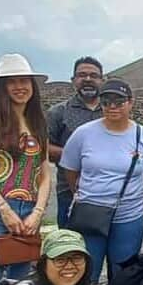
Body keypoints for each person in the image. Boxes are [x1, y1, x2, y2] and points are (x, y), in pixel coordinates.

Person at [59, 78, 143, 284]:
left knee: (124, 273)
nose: (112, 106)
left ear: (131, 102)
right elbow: (70, 170)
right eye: (106, 101)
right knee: (86, 272)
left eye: (119, 101)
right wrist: (85, 193)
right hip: (91, 214)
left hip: (128, 216)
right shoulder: (83, 134)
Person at [0, 53, 53, 285]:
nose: (19, 87)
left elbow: (44, 173)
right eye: (12, 82)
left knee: (21, 281)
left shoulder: (39, 122)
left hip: (29, 210)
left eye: (24, 81)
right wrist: (3, 208)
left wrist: (38, 211)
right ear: (3, 87)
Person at [47, 57, 105, 228]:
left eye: (93, 76)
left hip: (108, 190)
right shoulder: (58, 112)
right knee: (70, 244)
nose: (88, 79)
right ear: (73, 80)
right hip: (70, 190)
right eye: (82, 75)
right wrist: (76, 156)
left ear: (102, 80)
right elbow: (44, 147)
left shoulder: (113, 111)